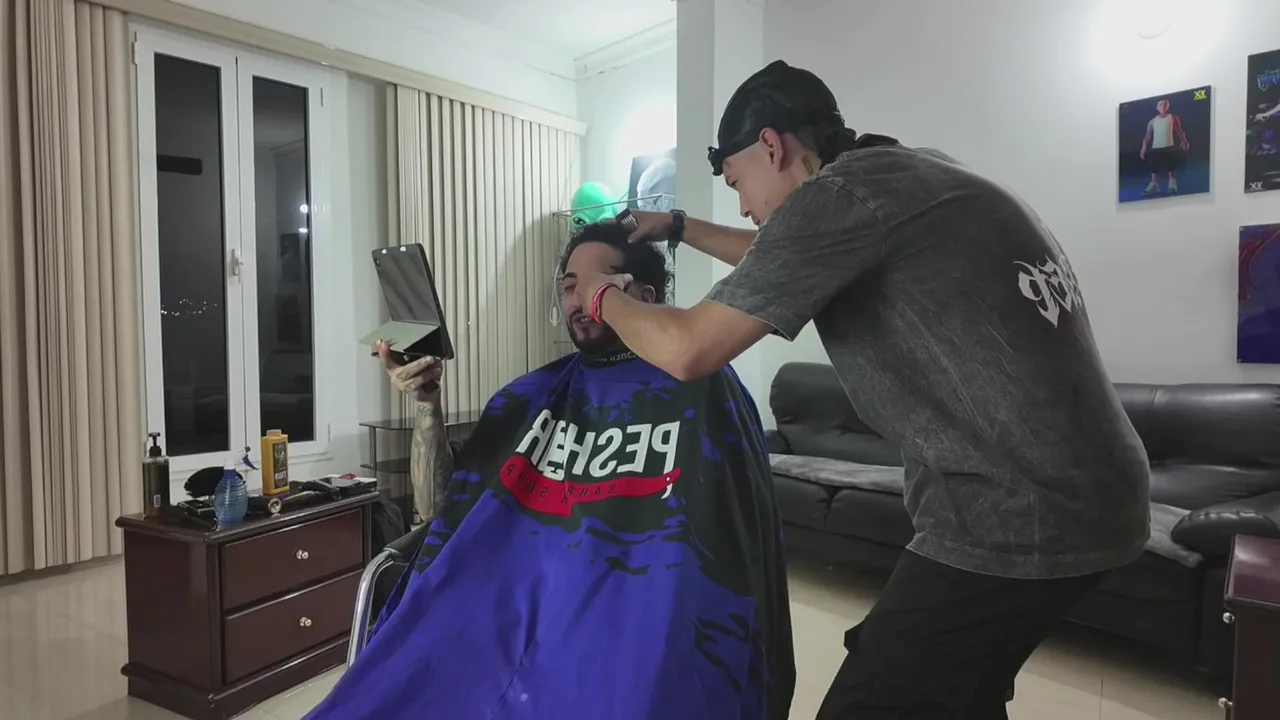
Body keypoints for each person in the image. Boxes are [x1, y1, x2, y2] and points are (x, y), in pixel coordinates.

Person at [572, 60, 1151, 719]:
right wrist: (678, 227)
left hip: (1017, 512)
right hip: (1098, 492)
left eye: (736, 183)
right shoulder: (910, 174)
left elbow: (687, 349)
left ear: (771, 146)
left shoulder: (840, 199)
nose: (743, 205)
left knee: (875, 700)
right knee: (960, 693)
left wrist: (597, 291)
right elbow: (783, 253)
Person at [306, 223, 795, 720]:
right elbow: (440, 510)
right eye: (568, 285)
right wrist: (427, 406)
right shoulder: (529, 395)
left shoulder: (703, 386)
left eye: (598, 283)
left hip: (629, 628)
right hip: (498, 618)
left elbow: (736, 550)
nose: (578, 298)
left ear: (645, 297)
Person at [1139, 98, 1190, 195]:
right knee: (1154, 167)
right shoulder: (1152, 121)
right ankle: (1154, 184)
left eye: (1165, 104)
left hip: (1169, 147)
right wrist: (1143, 148)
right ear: (1157, 107)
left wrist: (1184, 141)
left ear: (1168, 106)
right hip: (1156, 148)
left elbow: (1180, 131)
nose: (1163, 106)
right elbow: (1147, 136)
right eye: (1161, 104)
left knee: (1170, 166)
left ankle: (1172, 183)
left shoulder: (1173, 118)